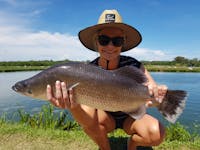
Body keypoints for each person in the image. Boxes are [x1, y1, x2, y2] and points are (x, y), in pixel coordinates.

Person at [46, 10, 167, 150]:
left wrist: (158, 98)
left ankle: (132, 146)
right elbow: (87, 120)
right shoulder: (87, 71)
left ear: (123, 42)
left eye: (117, 41)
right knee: (90, 124)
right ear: (96, 41)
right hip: (105, 116)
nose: (110, 46)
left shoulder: (134, 65)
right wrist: (73, 106)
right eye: (104, 40)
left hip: (130, 116)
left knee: (156, 133)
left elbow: (152, 93)